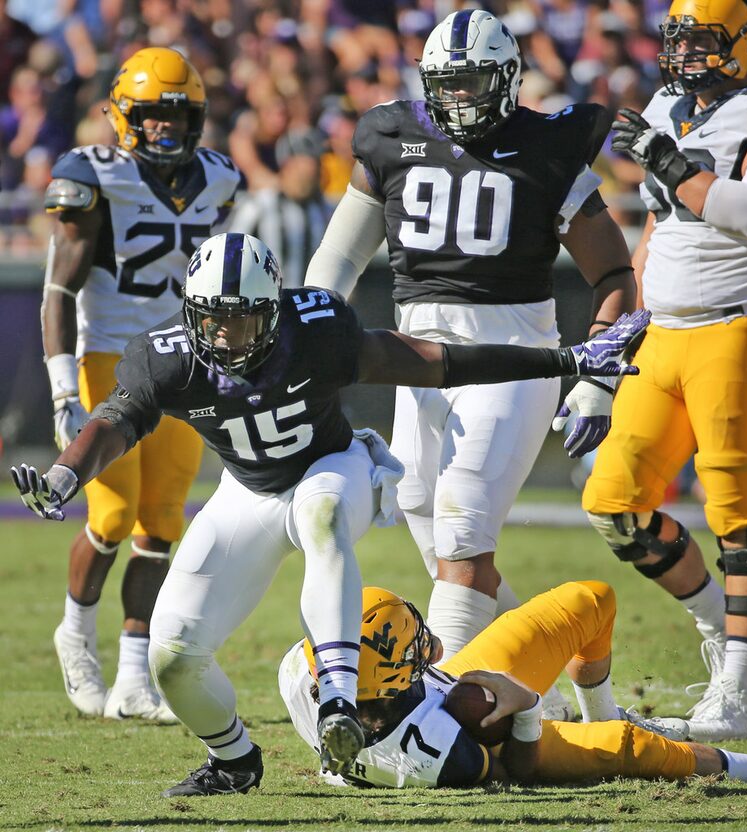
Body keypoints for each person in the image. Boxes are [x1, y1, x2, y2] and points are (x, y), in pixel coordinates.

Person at [11, 231, 648, 796]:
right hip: (249, 491)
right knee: (172, 657)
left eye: (242, 319)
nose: (226, 334)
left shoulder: (314, 331)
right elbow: (115, 421)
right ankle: (233, 761)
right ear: (191, 313)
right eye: (212, 319)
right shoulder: (168, 355)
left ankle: (339, 698)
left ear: (274, 310)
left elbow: (437, 363)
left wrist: (563, 359)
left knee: (321, 516)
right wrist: (66, 473)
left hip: (335, 469)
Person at [303, 9, 638, 675]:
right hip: (418, 356)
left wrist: (599, 378)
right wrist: (310, 330)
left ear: (508, 79)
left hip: (512, 354)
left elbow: (615, 273)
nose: (458, 98)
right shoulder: (392, 135)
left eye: (473, 82)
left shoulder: (546, 145)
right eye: (446, 83)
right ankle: (548, 673)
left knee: (460, 531)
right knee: (427, 518)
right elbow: (336, 261)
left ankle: (449, 703)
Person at [580, 0, 747, 741]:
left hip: (740, 329)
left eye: (703, 40)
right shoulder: (667, 105)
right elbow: (659, 223)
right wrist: (623, 331)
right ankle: (726, 626)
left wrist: (670, 162)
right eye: (677, 38)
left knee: (740, 519)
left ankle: (738, 698)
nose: (685, 53)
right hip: (668, 331)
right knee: (614, 503)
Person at [41, 47, 241, 722]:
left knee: (161, 523)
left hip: (183, 363)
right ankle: (74, 635)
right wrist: (63, 389)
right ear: (125, 116)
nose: (166, 128)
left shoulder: (217, 177)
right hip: (109, 357)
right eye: (153, 115)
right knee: (112, 516)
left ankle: (133, 672)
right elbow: (57, 292)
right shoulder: (93, 176)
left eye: (179, 116)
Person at [279, 581, 747, 788]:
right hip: (479, 737)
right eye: (411, 643)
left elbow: (400, 670)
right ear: (396, 673)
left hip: (439, 696)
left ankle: (602, 710)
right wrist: (524, 706)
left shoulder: (299, 670)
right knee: (631, 749)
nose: (425, 640)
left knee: (590, 601)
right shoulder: (438, 755)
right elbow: (515, 770)